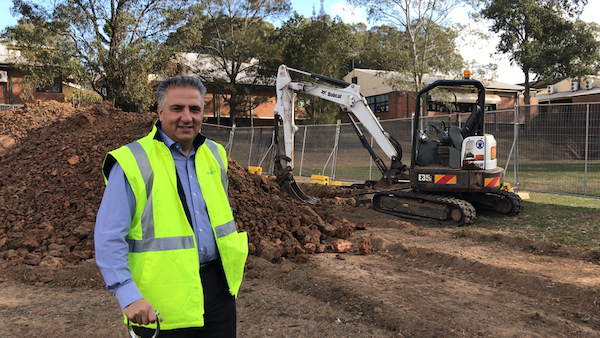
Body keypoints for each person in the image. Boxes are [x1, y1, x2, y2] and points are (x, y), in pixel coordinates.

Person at [95, 75, 248, 338]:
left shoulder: (215, 154)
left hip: (218, 291)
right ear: (160, 111)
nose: (187, 118)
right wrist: (128, 295)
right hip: (160, 302)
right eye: (177, 109)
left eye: (195, 109)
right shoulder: (133, 161)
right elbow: (108, 237)